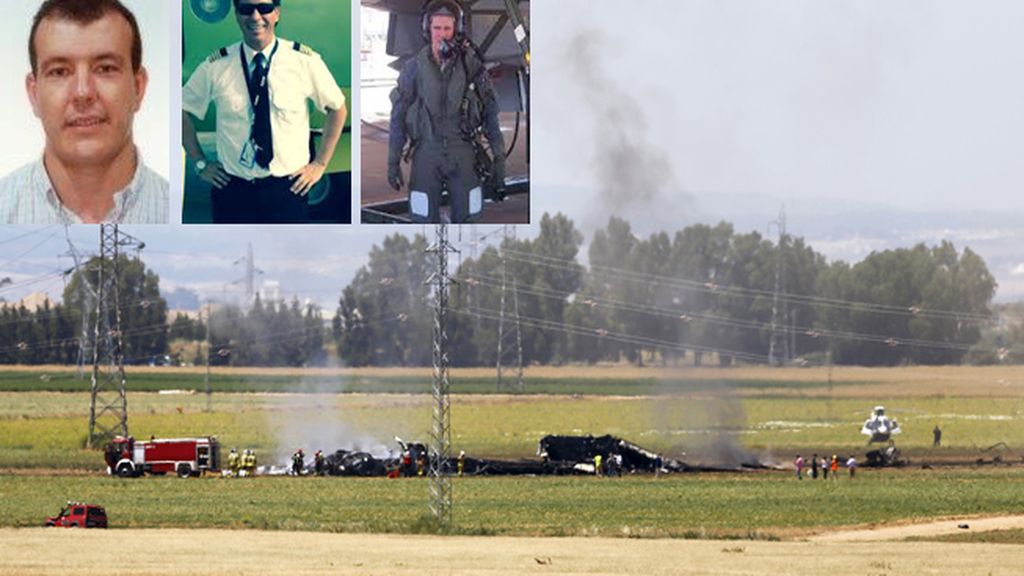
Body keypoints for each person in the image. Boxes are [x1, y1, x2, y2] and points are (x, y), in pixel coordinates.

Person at [0, 0, 168, 224]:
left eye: (105, 68)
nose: (82, 92)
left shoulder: (172, 208)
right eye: (59, 72)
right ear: (34, 94)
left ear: (138, 88)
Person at [182, 0, 347, 223]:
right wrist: (200, 163)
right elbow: (181, 110)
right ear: (237, 14)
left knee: (286, 257)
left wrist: (319, 164)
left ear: (277, 13)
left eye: (265, 8)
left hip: (287, 191)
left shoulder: (303, 61)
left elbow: (337, 109)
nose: (256, 16)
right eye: (246, 9)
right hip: (233, 191)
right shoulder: (217, 66)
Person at [387, 0, 506, 223]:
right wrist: (392, 161)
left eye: (447, 29)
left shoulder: (471, 66)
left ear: (456, 31)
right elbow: (398, 116)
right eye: (437, 28)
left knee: (469, 219)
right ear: (427, 30)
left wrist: (499, 159)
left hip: (462, 152)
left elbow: (490, 112)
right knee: (422, 221)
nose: (442, 34)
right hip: (426, 153)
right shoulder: (414, 68)